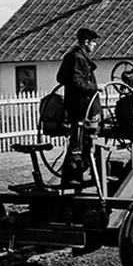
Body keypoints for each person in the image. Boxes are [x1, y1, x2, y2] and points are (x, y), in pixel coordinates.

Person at [57, 27, 100, 185]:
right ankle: (73, 177)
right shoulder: (78, 58)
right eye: (94, 42)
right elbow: (77, 83)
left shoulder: (70, 56)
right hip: (82, 107)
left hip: (76, 107)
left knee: (79, 141)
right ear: (86, 42)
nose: (95, 45)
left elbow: (61, 77)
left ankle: (76, 175)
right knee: (80, 142)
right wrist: (95, 86)